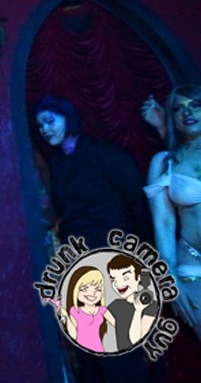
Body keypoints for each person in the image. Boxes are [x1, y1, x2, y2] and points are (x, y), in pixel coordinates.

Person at [34, 96, 153, 250]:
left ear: (68, 118)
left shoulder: (105, 154)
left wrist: (145, 246)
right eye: (40, 126)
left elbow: (137, 201)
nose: (44, 130)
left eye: (50, 121)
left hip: (114, 244)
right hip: (78, 248)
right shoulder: (56, 164)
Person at [143, 84, 201, 339]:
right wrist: (171, 278)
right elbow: (164, 224)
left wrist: (162, 128)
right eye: (178, 108)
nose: (187, 112)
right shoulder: (164, 162)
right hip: (194, 265)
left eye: (195, 105)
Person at [105, 254, 159, 349]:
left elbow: (135, 340)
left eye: (125, 277)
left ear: (138, 278)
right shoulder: (116, 305)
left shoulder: (150, 305)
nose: (118, 284)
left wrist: (138, 310)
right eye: (113, 279)